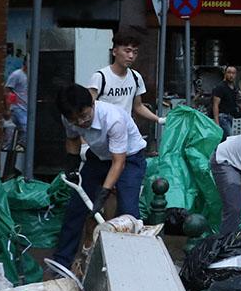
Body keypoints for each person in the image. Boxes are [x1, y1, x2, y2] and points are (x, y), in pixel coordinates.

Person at [55, 83, 147, 266]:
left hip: (128, 158)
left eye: (84, 116)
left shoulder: (114, 119)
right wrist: (72, 164)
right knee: (76, 207)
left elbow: (118, 162)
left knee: (128, 212)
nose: (81, 122)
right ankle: (61, 262)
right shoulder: (69, 118)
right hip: (99, 156)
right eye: (75, 120)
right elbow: (72, 139)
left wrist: (103, 193)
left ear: (92, 104)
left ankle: (135, 262)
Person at [89, 31, 164, 130]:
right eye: (127, 51)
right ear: (115, 52)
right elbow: (87, 107)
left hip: (126, 130)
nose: (131, 56)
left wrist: (159, 120)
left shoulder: (136, 77)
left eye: (135, 52)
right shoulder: (100, 77)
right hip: (103, 132)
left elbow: (138, 106)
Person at [211, 65, 241, 139]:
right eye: (229, 72)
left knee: (224, 140)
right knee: (229, 139)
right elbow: (215, 105)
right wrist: (217, 123)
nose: (231, 75)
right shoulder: (220, 87)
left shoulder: (233, 87)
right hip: (222, 117)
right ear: (225, 73)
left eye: (233, 73)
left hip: (229, 117)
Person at [5, 60, 28, 137]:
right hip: (18, 107)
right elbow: (8, 91)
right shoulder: (16, 74)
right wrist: (8, 109)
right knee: (26, 129)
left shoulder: (31, 75)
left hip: (27, 107)